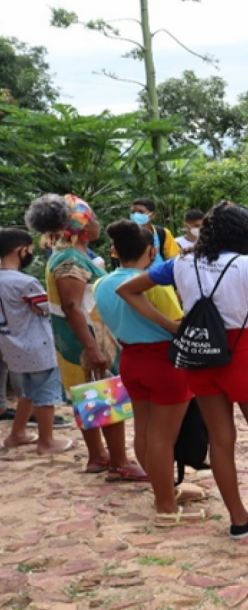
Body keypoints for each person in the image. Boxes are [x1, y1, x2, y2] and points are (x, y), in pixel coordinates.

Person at [118, 202, 248, 539]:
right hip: (242, 353)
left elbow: (126, 289)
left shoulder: (182, 262)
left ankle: (239, 518)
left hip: (201, 353)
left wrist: (172, 326)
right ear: (247, 233)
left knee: (220, 439)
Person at [26, 194, 146, 480]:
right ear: (79, 225)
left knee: (90, 397)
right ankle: (119, 462)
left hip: (77, 340)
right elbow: (72, 306)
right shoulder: (69, 259)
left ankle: (98, 456)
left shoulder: (68, 255)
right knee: (105, 397)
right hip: (86, 340)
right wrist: (92, 348)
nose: (97, 223)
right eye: (91, 217)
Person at [94, 220, 206, 527]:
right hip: (165, 361)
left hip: (131, 358)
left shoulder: (101, 284)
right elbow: (179, 323)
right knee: (162, 437)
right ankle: (166, 506)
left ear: (114, 251)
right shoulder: (152, 283)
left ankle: (164, 491)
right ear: (152, 251)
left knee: (144, 431)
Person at [0, 228, 75, 455]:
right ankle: (46, 441)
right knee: (45, 394)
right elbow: (50, 308)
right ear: (21, 251)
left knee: (29, 392)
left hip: (12, 347)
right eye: (30, 250)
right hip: (37, 346)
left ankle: (17, 434)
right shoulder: (25, 282)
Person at [130, 198, 180, 266]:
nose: (135, 215)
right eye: (133, 212)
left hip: (159, 274)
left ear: (152, 214)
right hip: (133, 275)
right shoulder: (125, 234)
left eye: (141, 212)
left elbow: (174, 258)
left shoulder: (162, 233)